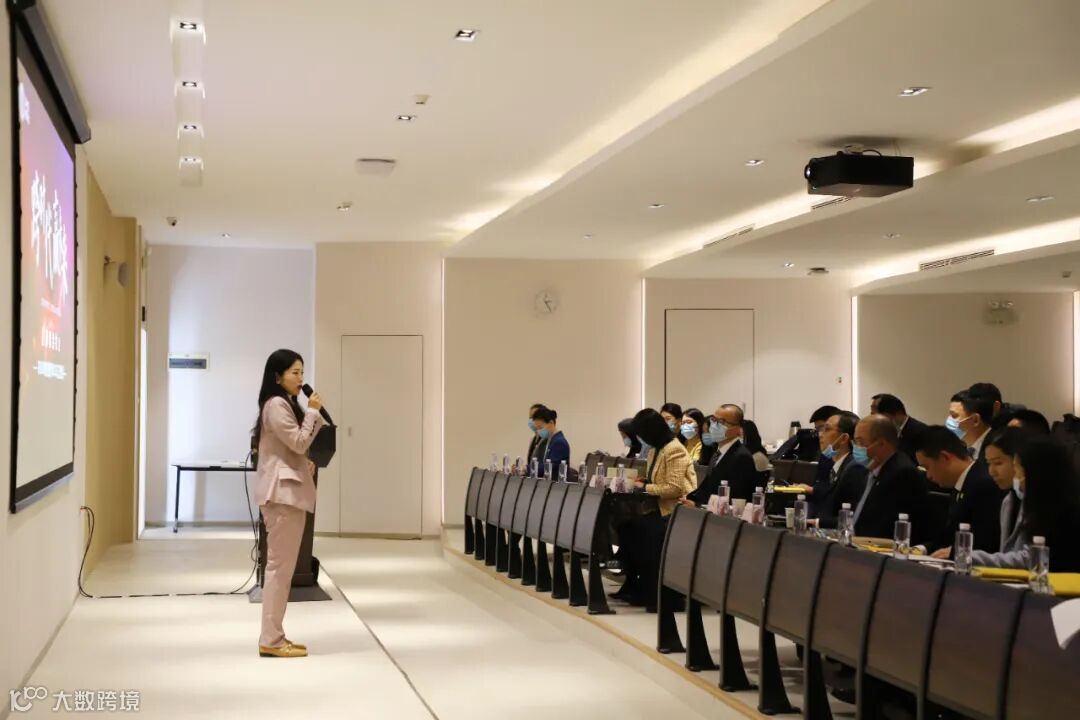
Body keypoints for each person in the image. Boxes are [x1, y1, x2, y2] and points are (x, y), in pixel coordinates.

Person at [252, 349, 325, 658]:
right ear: (277, 376)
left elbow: (288, 449)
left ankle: (275, 636)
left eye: (302, 372)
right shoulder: (276, 405)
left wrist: (303, 463)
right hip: (282, 497)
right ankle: (271, 639)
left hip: (287, 495)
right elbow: (298, 441)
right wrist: (313, 412)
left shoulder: (281, 404)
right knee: (279, 570)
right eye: (295, 372)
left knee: (281, 570)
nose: (300, 378)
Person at [614, 409, 696, 610]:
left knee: (644, 533)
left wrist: (644, 486)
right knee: (627, 528)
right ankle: (635, 584)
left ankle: (654, 593)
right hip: (657, 508)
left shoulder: (674, 450)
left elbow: (674, 488)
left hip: (675, 511)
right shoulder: (654, 450)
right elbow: (656, 480)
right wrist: (645, 481)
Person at [916, 426, 1004, 555]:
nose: (928, 476)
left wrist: (953, 552)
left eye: (927, 467)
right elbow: (947, 538)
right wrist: (921, 549)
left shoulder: (983, 484)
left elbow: (986, 541)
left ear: (944, 457)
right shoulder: (961, 484)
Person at [850, 415, 929, 542]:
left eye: (860, 442)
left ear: (882, 444)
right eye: (855, 442)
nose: (856, 448)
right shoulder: (869, 469)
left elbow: (885, 528)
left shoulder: (902, 473)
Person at [1009, 437, 1080, 571]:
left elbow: (1031, 559)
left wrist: (972, 556)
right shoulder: (1038, 507)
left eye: (1018, 471)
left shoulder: (1065, 515)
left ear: (1036, 473)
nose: (1016, 478)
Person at [970, 428, 1030, 567]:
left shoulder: (1041, 503)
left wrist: (972, 556)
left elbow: (1031, 557)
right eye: (988, 464)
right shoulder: (1008, 501)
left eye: (998, 463)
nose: (992, 472)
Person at [688, 404, 758, 503]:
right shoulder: (718, 453)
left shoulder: (741, 456)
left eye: (721, 422)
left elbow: (738, 496)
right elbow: (708, 486)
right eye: (713, 420)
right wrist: (693, 501)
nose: (714, 425)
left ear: (737, 428)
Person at [812, 411, 868, 528]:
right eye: (821, 430)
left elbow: (851, 516)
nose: (820, 435)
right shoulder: (837, 465)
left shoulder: (854, 468)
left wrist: (817, 522)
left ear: (844, 438)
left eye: (827, 429)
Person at [871, 393, 927, 464]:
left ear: (894, 413)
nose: (871, 414)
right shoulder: (887, 432)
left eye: (875, 410)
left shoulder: (920, 432)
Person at [947, 390, 994, 463]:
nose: (949, 420)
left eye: (954, 416)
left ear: (975, 420)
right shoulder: (961, 450)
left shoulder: (997, 447)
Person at [530, 406, 570, 477]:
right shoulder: (550, 439)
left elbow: (548, 468)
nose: (538, 431)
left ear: (551, 423)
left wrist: (527, 468)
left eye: (540, 428)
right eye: (537, 428)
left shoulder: (559, 443)